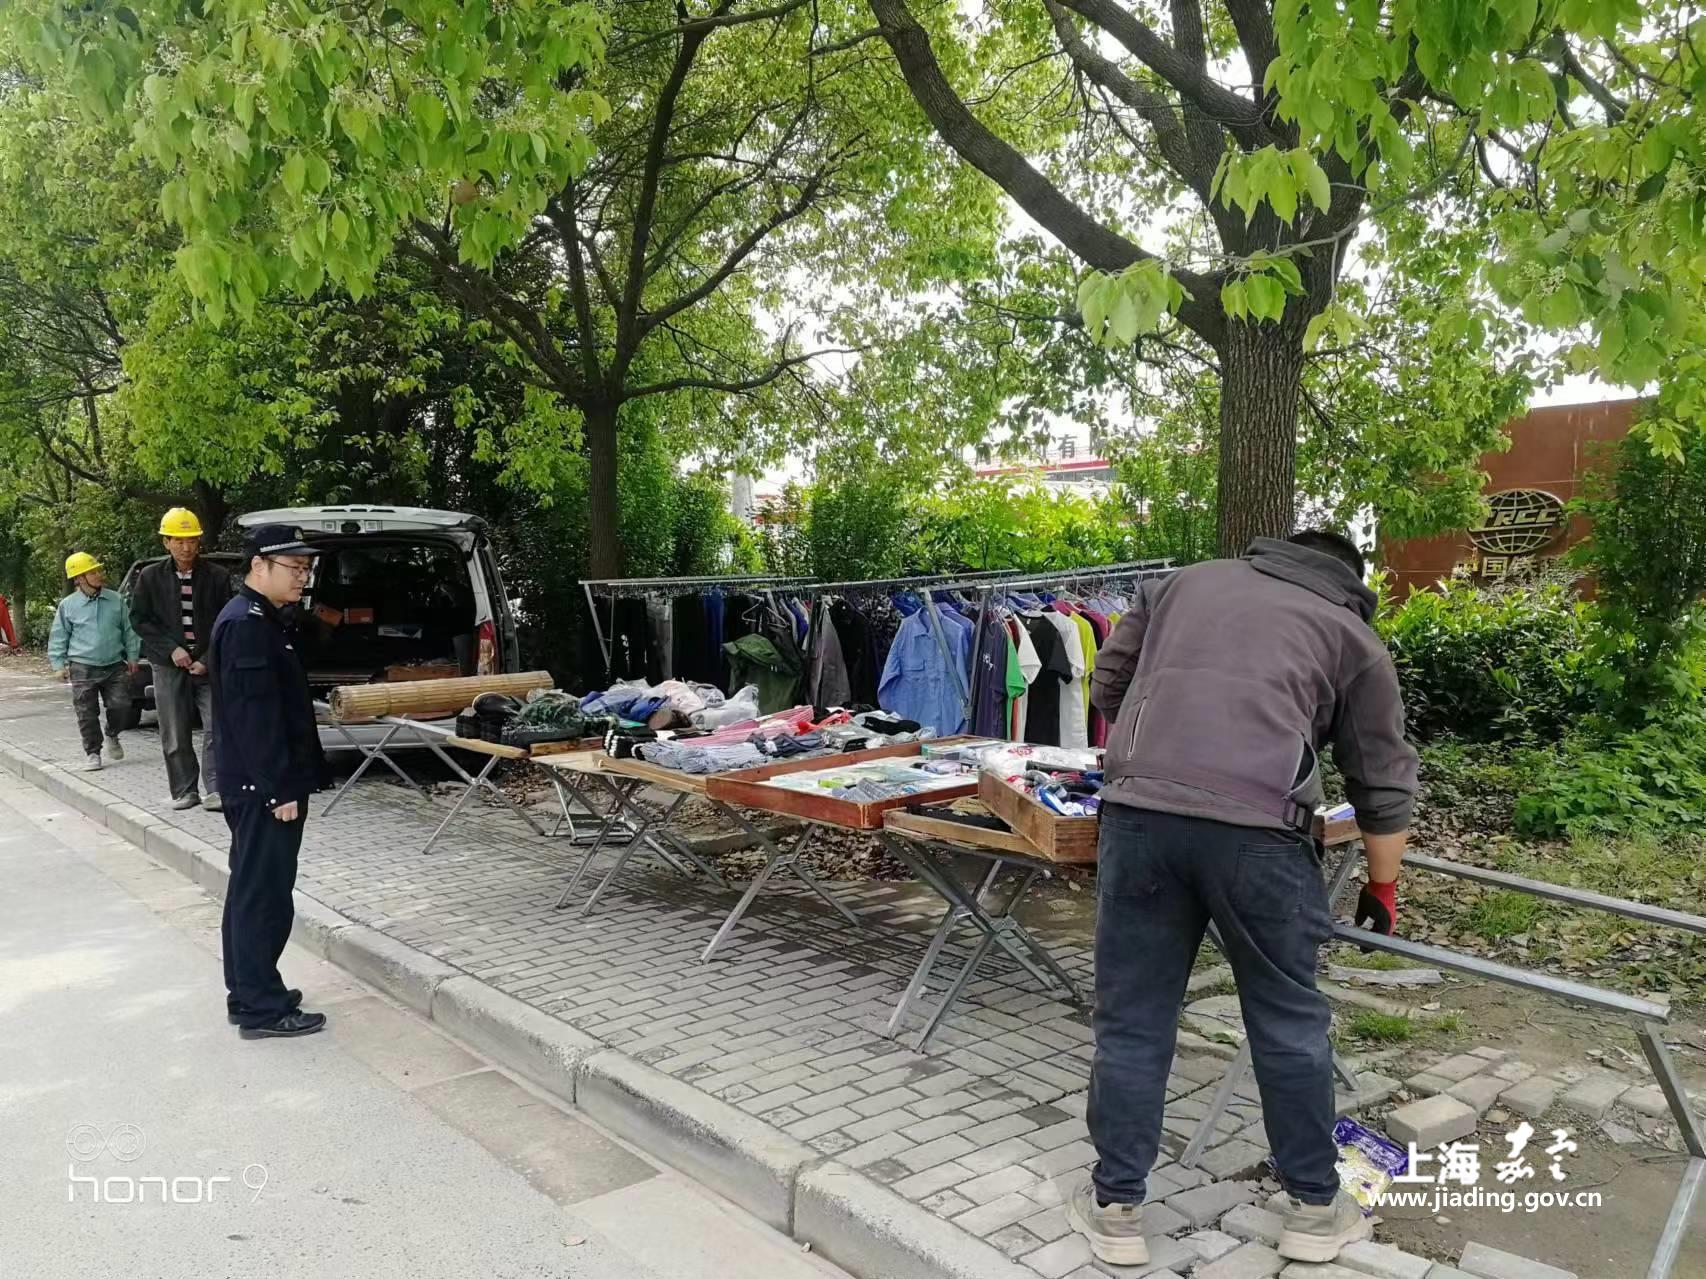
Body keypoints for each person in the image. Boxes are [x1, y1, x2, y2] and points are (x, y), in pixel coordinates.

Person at [1068, 530, 1418, 1267]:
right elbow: (1382, 782)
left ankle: (1116, 1208)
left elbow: (1107, 686)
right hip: (1260, 836)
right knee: (1287, 1019)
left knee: (1132, 1016)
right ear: (1349, 580)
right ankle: (1314, 1209)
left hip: (1140, 820)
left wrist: (1163, 740)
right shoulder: (1352, 636)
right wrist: (1382, 887)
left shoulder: (1179, 584)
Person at [208, 524, 326, 1039]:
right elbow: (254, 717)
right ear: (259, 565)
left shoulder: (262, 618)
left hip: (260, 785)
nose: (302, 577)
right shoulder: (247, 624)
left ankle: (250, 992)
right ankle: (261, 1008)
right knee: (265, 896)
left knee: (251, 889)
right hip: (264, 790)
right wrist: (278, 789)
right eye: (294, 568)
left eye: (306, 568)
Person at [129, 507, 234, 811]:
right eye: (179, 541)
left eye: (191, 540)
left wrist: (207, 659)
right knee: (174, 731)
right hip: (167, 665)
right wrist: (171, 650)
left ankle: (217, 789)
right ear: (166, 542)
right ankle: (185, 791)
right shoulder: (150, 577)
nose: (186, 547)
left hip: (207, 663)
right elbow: (140, 619)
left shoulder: (217, 576)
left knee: (216, 726)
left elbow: (226, 622)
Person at [48, 553, 141, 772]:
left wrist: (133, 656)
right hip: (82, 666)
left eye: (99, 570)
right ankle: (93, 753)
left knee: (122, 706)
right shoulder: (68, 605)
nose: (99, 575)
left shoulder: (116, 600)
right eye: (93, 572)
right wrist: (58, 665)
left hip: (114, 664)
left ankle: (112, 732)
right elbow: (59, 636)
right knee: (86, 713)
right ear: (79, 578)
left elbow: (129, 631)